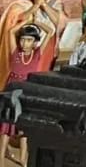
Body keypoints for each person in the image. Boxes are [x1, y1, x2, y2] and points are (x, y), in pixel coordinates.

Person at [0, 0, 66, 85]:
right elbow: (18, 21)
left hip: (44, 50)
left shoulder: (54, 4)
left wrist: (43, 4)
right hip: (22, 51)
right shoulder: (19, 5)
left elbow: (59, 22)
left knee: (40, 82)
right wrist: (35, 6)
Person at [0, 23, 51, 166]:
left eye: (29, 40)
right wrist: (26, 21)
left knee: (23, 127)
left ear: (35, 42)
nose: (25, 43)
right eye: (22, 39)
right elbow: (11, 31)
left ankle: (23, 159)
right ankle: (1, 158)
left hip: (26, 92)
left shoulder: (37, 53)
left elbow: (50, 31)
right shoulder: (15, 51)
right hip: (11, 90)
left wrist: (36, 22)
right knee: (6, 124)